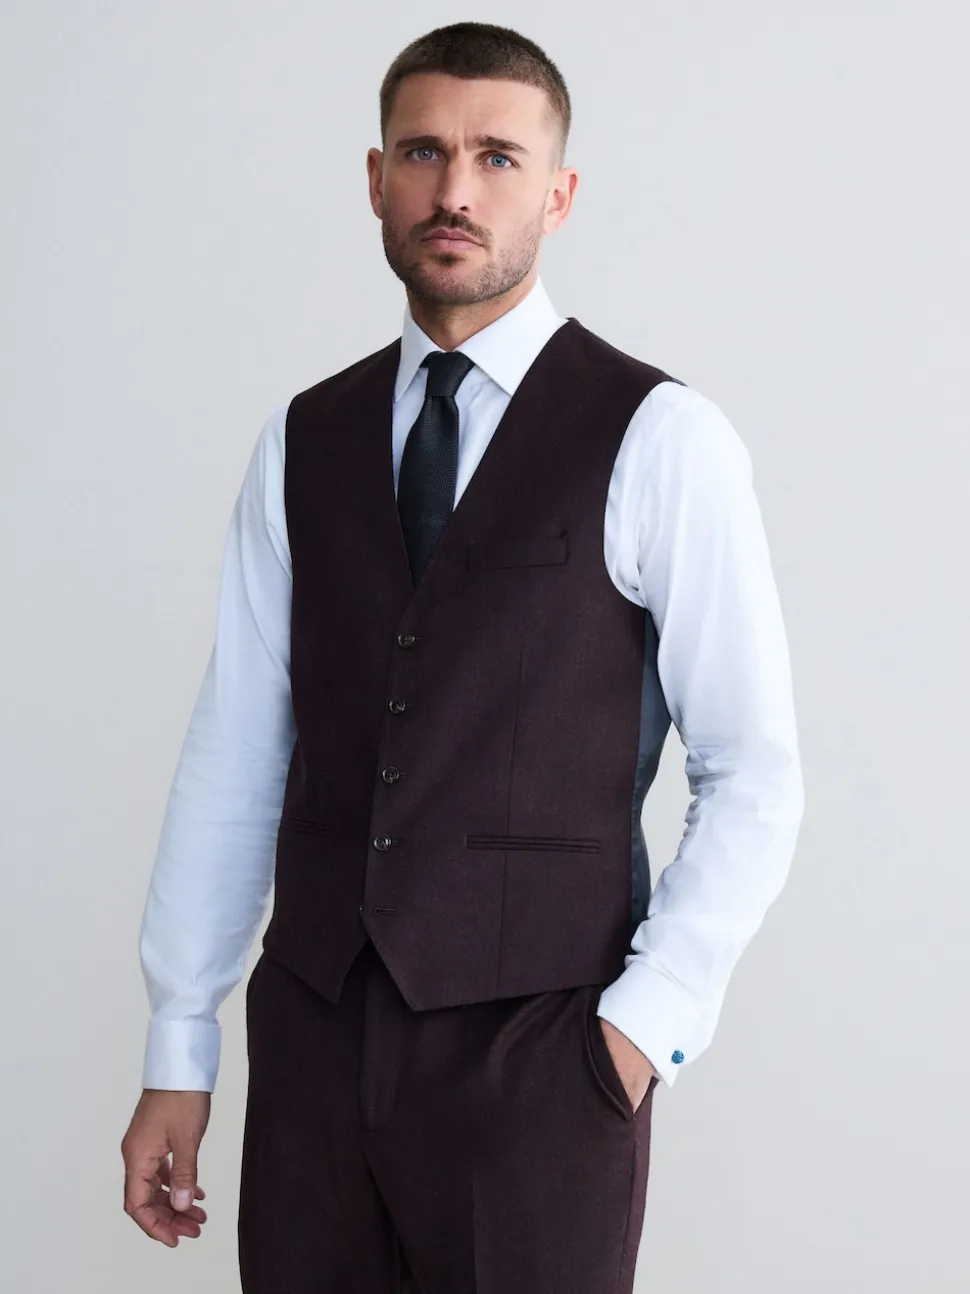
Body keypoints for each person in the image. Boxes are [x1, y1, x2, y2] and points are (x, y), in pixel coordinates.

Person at [120, 20, 804, 1293]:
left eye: (497, 157)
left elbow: (751, 768)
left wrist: (639, 1030)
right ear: (375, 178)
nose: (455, 190)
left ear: (559, 193)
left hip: (543, 1058)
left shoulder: (661, 437)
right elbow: (239, 747)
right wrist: (180, 1040)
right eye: (424, 152)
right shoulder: (301, 440)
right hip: (315, 1044)